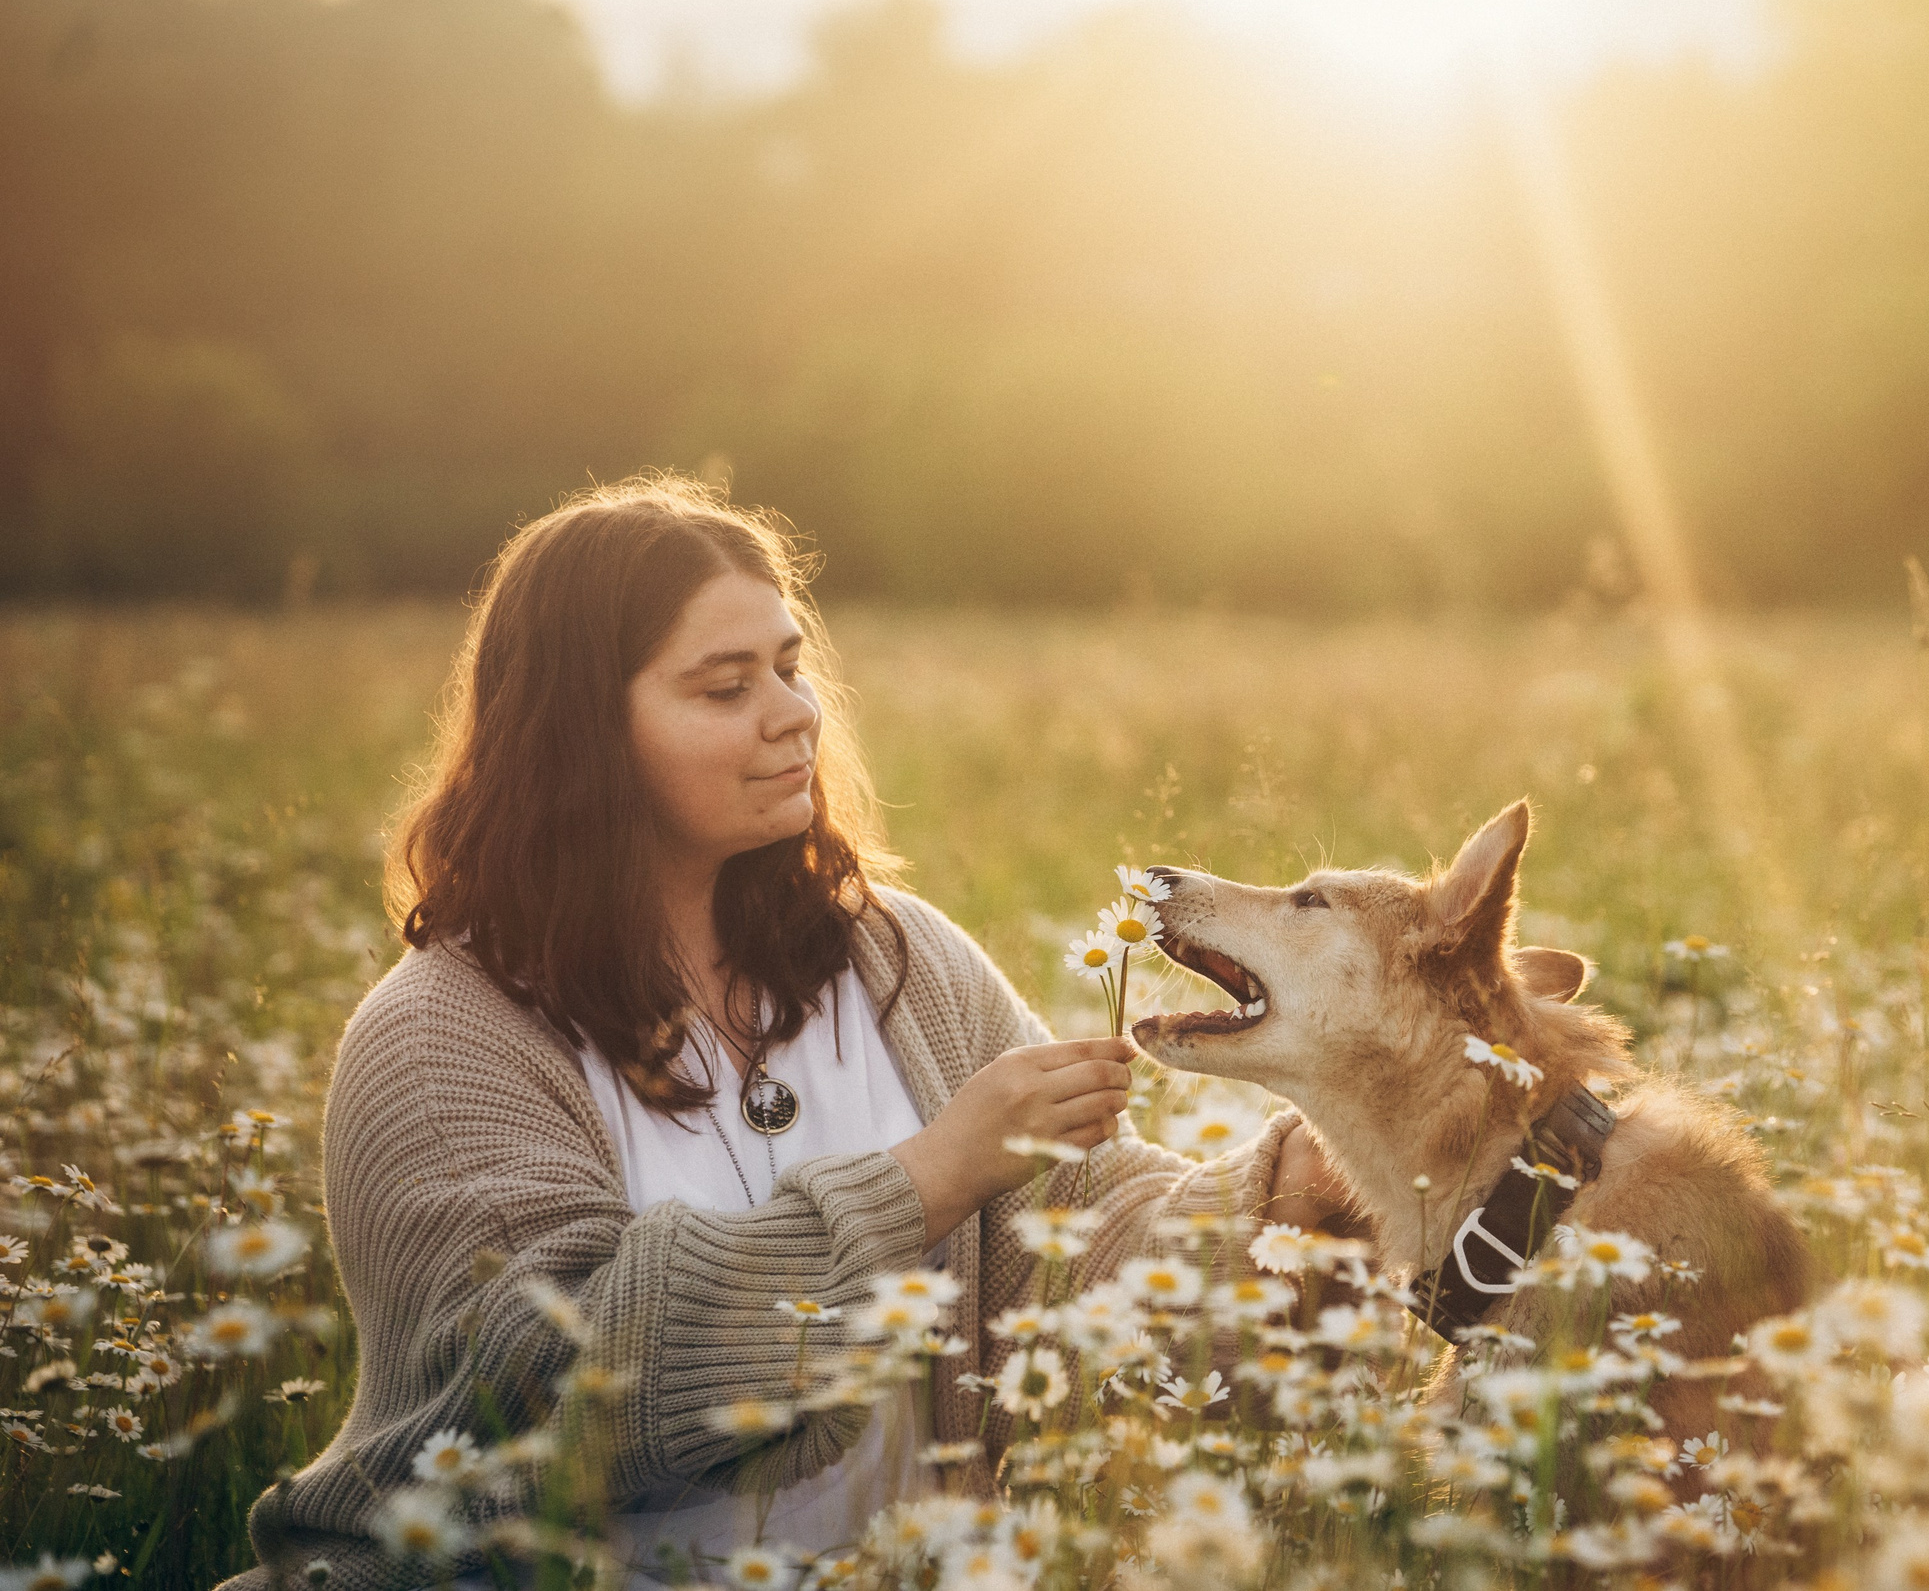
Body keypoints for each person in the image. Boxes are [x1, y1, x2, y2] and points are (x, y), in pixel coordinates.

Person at [222, 475, 1355, 1590]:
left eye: (790, 666)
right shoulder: (440, 1043)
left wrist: (1309, 1193)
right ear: (580, 738)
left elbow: (1073, 1249)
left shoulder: (896, 961)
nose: (794, 713)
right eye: (724, 689)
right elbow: (563, 1385)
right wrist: (931, 1175)